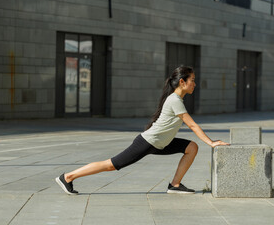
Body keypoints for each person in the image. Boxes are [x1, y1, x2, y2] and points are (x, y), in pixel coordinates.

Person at [55, 66, 229, 195]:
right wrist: (212, 143)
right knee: (111, 165)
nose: (195, 84)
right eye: (192, 80)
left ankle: (175, 185)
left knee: (191, 147)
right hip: (148, 142)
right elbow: (192, 125)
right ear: (182, 82)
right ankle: (68, 177)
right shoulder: (175, 100)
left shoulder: (176, 99)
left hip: (161, 143)